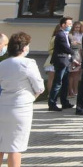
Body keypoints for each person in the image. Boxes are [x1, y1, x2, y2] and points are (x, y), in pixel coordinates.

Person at [0, 33, 44, 167]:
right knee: (15, 147)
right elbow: (39, 87)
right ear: (24, 47)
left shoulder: (2, 63)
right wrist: (32, 97)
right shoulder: (28, 63)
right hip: (21, 108)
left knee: (1, 144)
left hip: (3, 106)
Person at [48, 16, 74, 110]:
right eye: (69, 24)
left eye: (71, 24)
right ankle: (52, 103)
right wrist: (73, 53)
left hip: (66, 61)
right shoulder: (60, 35)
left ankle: (64, 102)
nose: (71, 26)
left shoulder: (67, 34)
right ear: (63, 25)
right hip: (61, 61)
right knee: (58, 82)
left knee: (65, 82)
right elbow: (65, 48)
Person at [68, 20, 83, 107]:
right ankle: (70, 91)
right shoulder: (71, 35)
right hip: (74, 54)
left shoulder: (82, 34)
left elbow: (82, 45)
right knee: (72, 73)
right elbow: (72, 44)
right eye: (76, 27)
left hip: (80, 54)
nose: (77, 29)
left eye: (79, 27)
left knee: (77, 74)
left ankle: (76, 90)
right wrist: (78, 44)